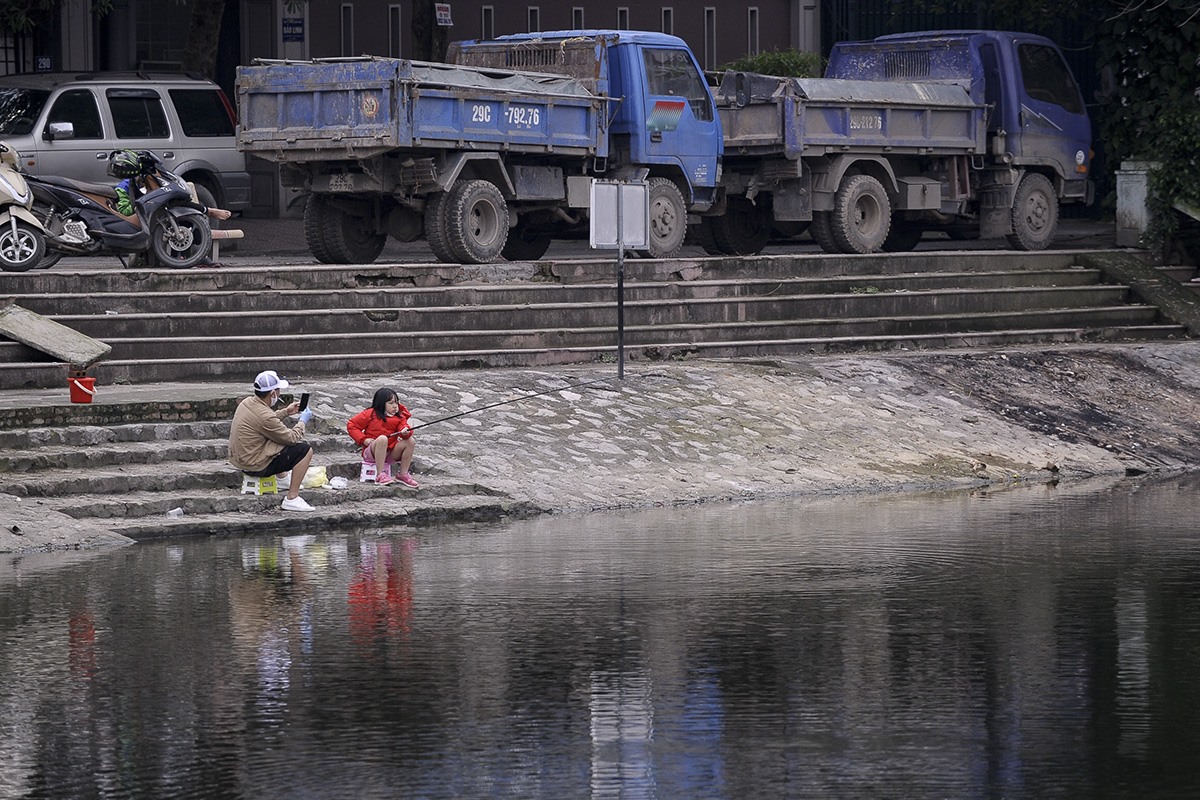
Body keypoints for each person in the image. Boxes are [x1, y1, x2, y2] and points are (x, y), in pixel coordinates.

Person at [229, 370, 317, 512]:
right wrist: (302, 421)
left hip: (243, 460)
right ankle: (292, 498)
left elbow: (264, 421)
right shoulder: (265, 416)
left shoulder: (247, 403)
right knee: (305, 450)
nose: (280, 393)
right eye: (278, 390)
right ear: (272, 394)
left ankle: (282, 480)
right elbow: (291, 438)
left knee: (275, 438)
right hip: (256, 466)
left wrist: (286, 412)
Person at [346, 387, 419, 489]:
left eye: (396, 403)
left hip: (390, 453)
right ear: (381, 403)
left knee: (410, 441)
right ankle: (380, 474)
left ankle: (403, 474)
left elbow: (404, 428)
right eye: (391, 403)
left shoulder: (399, 417)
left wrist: (406, 431)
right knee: (382, 439)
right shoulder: (370, 413)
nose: (395, 406)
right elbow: (352, 425)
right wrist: (363, 439)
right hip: (371, 452)